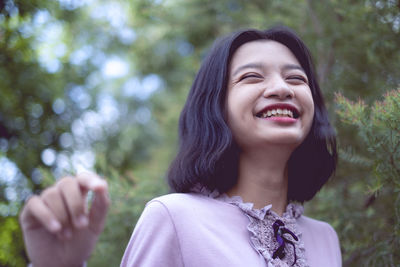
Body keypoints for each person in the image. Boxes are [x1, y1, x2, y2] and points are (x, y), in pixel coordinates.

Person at [19, 26, 342, 267]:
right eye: (252, 77)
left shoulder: (325, 239)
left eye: (296, 79)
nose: (281, 88)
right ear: (216, 107)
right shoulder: (174, 218)